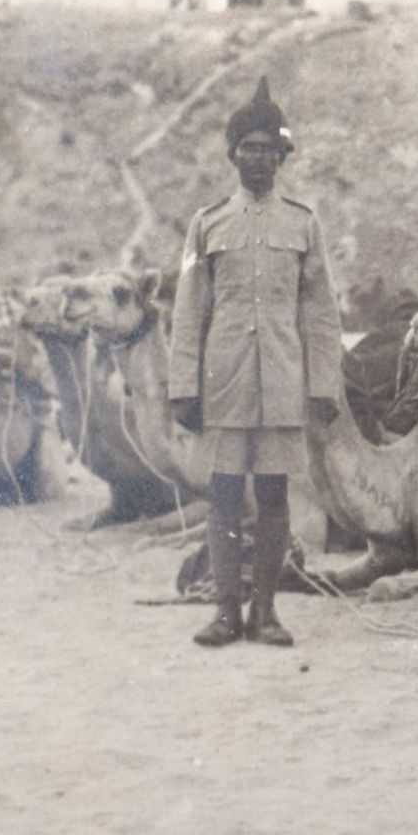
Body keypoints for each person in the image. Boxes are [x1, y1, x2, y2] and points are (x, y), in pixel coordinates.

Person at [168, 77, 344, 649]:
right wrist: (183, 387)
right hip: (223, 384)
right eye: (249, 148)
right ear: (233, 154)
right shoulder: (208, 223)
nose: (260, 158)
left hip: (282, 384)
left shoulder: (303, 223)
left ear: (283, 157)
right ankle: (225, 611)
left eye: (270, 149)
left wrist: (323, 383)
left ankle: (265, 612)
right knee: (221, 495)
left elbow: (320, 312)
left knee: (273, 497)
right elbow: (189, 310)